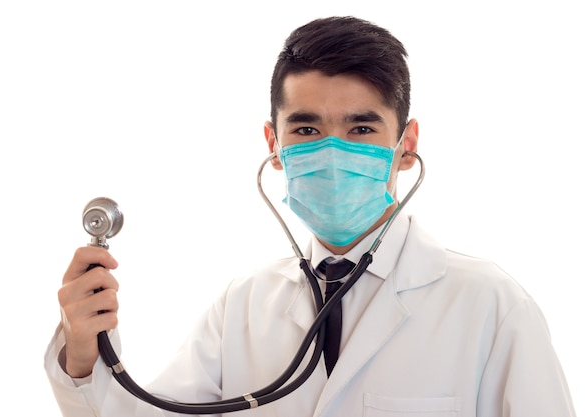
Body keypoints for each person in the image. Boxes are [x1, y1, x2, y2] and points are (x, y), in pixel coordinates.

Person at [45, 16, 576, 416]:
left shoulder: (488, 303)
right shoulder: (244, 306)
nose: (332, 151)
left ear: (406, 145)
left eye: (362, 130)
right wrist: (85, 351)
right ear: (273, 145)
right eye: (306, 130)